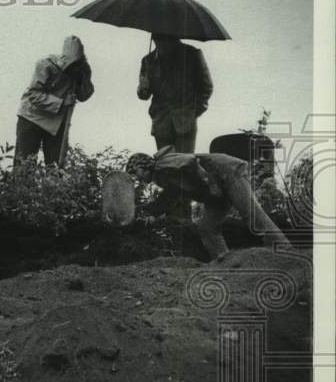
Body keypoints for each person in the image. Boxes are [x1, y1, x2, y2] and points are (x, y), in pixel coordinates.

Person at [125, 147, 292, 260]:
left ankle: (285, 251)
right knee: (207, 228)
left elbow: (190, 161)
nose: (137, 177)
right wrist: (151, 212)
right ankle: (224, 262)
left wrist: (210, 183)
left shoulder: (162, 163)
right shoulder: (162, 178)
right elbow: (170, 196)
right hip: (213, 191)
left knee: (250, 213)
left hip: (227, 173)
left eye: (136, 172)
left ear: (144, 164)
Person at [15, 35, 94, 166]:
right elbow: (33, 94)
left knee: (55, 166)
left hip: (57, 123)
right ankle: (20, 186)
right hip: (32, 118)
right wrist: (62, 102)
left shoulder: (81, 69)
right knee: (25, 163)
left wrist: (84, 78)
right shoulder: (46, 65)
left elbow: (83, 96)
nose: (74, 67)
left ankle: (52, 186)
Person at [137, 34, 213, 154]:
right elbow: (144, 95)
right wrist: (142, 88)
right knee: (164, 165)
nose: (160, 42)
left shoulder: (192, 55)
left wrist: (194, 112)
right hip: (161, 123)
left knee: (185, 164)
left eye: (164, 38)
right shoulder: (148, 61)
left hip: (186, 123)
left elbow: (206, 86)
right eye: (157, 38)